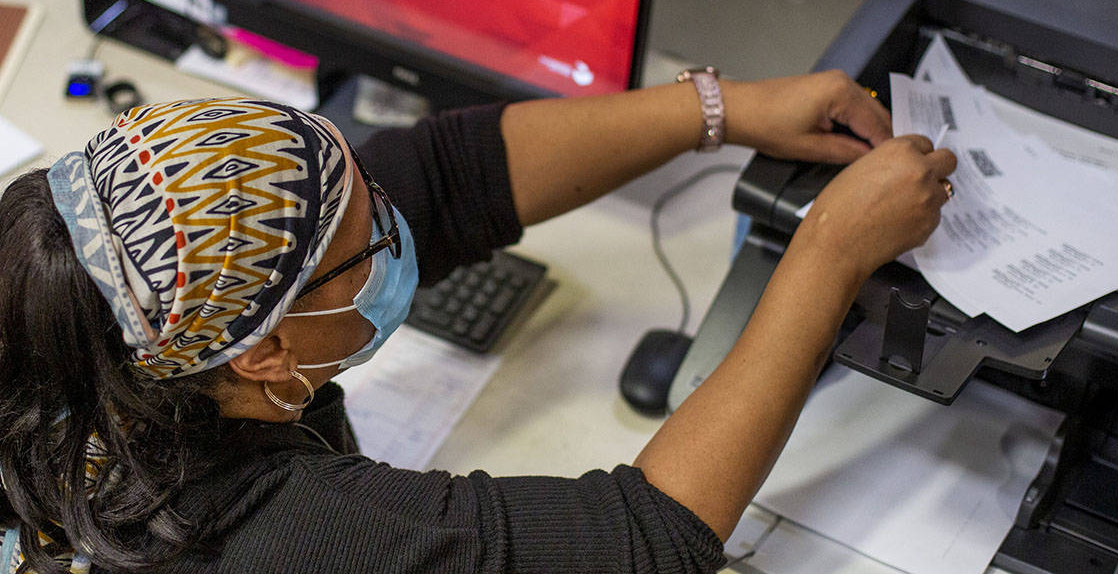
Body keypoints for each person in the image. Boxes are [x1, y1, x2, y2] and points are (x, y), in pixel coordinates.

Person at [0, 70, 955, 573]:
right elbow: (641, 542)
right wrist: (829, 250)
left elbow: (451, 174)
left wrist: (725, 108)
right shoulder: (283, 536)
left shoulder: (81, 303)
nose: (398, 227)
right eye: (368, 247)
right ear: (268, 353)